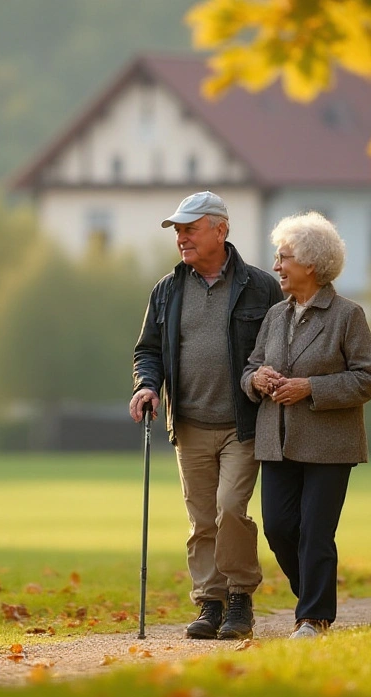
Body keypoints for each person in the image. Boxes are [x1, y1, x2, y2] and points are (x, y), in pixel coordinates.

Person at [130, 190, 284, 640]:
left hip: (244, 422)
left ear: (220, 229)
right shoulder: (167, 289)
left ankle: (240, 598)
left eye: (190, 228)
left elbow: (280, 344)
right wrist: (146, 385)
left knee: (230, 508)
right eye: (178, 230)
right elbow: (149, 350)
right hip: (191, 424)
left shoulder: (260, 286)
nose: (182, 238)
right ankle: (209, 604)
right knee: (202, 520)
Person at [240, 211, 371, 640]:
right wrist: (256, 379)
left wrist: (311, 388)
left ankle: (313, 618)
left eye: (283, 258)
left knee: (315, 533)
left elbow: (367, 378)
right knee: (280, 529)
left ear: (311, 265)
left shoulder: (347, 315)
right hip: (276, 441)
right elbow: (249, 368)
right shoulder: (275, 315)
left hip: (330, 445)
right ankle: (314, 601)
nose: (276, 267)